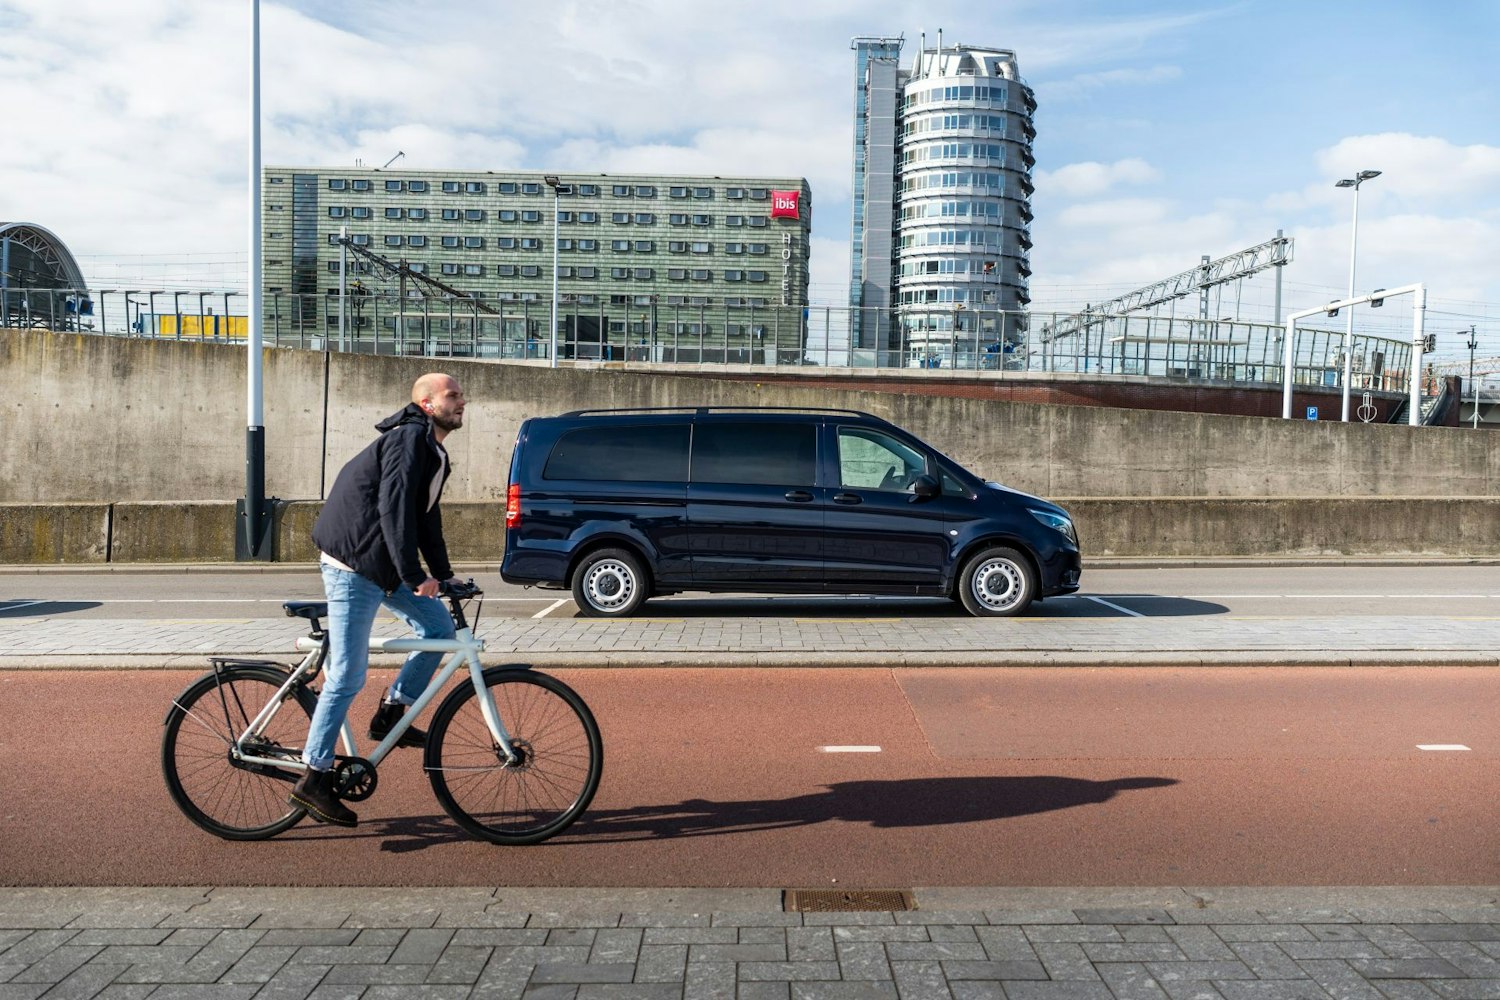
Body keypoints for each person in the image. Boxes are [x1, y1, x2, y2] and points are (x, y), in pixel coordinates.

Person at [289, 372, 467, 827]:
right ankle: (313, 776)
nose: (461, 401)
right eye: (452, 395)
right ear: (427, 403)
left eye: (460, 394)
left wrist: (443, 576)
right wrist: (413, 575)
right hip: (353, 566)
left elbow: (426, 521)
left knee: (439, 629)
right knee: (348, 676)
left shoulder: (433, 448)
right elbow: (392, 508)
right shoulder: (409, 438)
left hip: (381, 564)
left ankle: (391, 712)